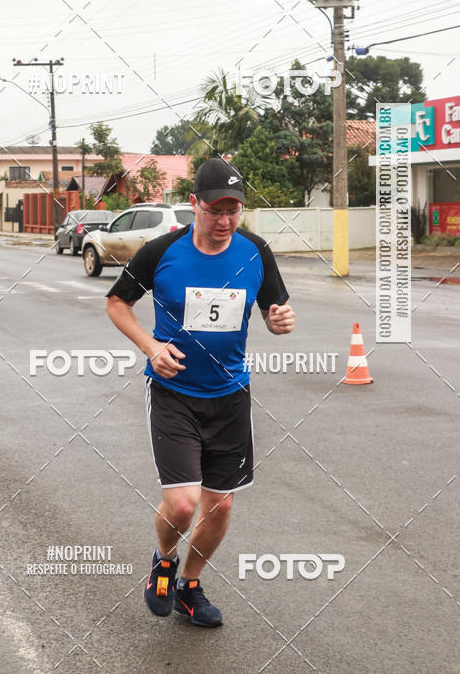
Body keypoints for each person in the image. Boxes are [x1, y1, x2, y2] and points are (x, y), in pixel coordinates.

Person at [105, 158, 295, 627]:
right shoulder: (162, 250)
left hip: (230, 396)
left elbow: (275, 310)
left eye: (234, 210)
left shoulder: (256, 251)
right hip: (174, 392)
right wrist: (150, 346)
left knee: (220, 503)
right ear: (195, 205)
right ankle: (163, 562)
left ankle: (190, 586)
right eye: (215, 210)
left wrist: (279, 321)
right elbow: (116, 302)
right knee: (184, 503)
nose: (225, 221)